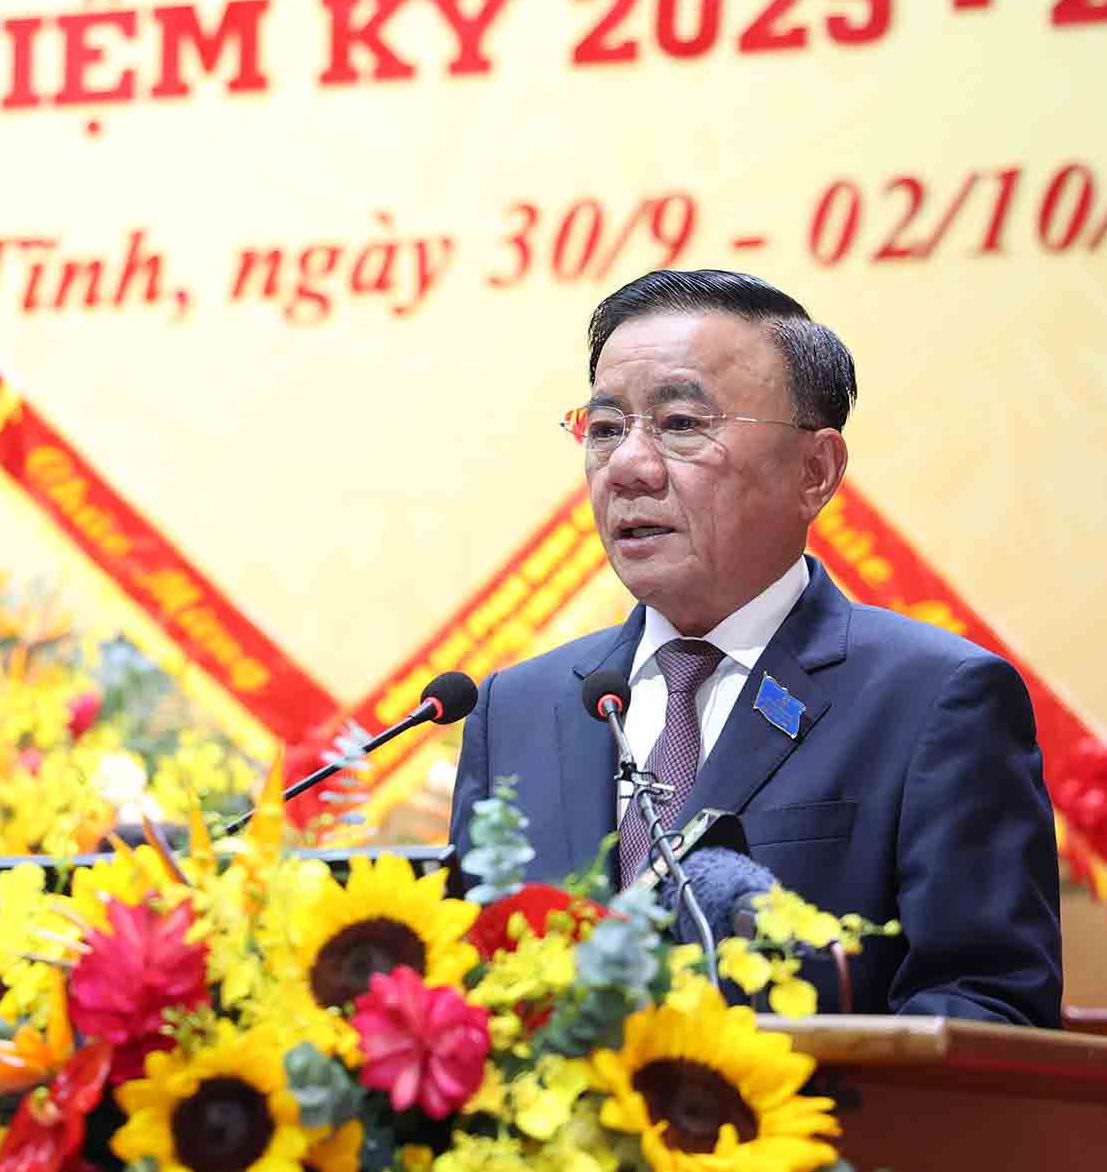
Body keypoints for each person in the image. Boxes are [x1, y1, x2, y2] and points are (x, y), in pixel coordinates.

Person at [448, 269, 1062, 1026]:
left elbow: (988, 1009)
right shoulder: (516, 708)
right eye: (605, 428)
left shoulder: (936, 700)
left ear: (815, 471)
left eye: (679, 424)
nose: (630, 468)